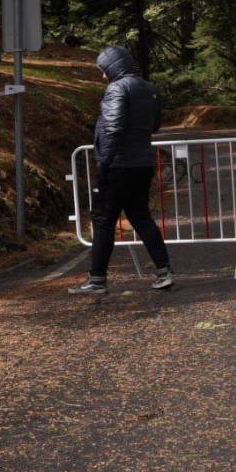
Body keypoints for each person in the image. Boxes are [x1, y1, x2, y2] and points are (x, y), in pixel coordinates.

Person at [71, 47, 174, 294]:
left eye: (104, 71)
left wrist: (104, 162)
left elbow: (113, 128)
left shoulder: (117, 89)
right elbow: (156, 125)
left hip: (118, 165)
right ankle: (164, 271)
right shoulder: (149, 88)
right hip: (143, 163)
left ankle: (97, 279)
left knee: (104, 220)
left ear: (113, 68)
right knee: (141, 217)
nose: (103, 77)